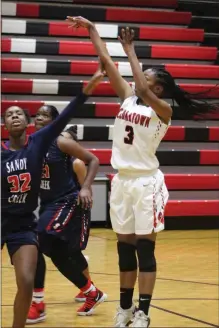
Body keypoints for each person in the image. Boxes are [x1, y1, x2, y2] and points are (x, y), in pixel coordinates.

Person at [67, 17, 219, 328]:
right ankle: (125, 309)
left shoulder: (162, 110)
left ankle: (143, 314)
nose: (139, 79)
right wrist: (93, 30)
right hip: (122, 182)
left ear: (158, 87)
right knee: (124, 249)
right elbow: (107, 62)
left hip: (146, 184)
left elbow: (141, 85)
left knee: (145, 250)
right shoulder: (128, 98)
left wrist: (132, 51)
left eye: (146, 77)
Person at [1, 67, 105, 328]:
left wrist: (91, 85)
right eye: (8, 115)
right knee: (56, 250)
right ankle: (89, 289)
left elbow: (69, 117)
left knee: (32, 263)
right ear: (4, 124)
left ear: (27, 122)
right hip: (23, 212)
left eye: (19, 114)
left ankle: (35, 306)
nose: (14, 117)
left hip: (42, 214)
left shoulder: (46, 141)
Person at [26, 115, 105, 323]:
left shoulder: (63, 147)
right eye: (38, 114)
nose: (41, 117)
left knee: (37, 242)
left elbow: (92, 162)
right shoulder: (32, 146)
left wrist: (87, 189)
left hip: (69, 203)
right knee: (60, 254)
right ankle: (91, 292)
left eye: (46, 115)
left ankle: (38, 302)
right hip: (48, 205)